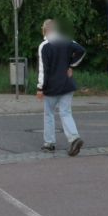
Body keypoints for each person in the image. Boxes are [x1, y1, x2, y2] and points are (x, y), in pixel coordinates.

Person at [36, 19, 86, 156]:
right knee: (65, 112)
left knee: (49, 114)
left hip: (52, 86)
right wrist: (71, 65)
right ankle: (74, 138)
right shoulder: (67, 41)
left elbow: (43, 69)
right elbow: (81, 50)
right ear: (56, 29)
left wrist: (40, 88)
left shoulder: (44, 46)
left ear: (45, 30)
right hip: (67, 84)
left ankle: (49, 143)